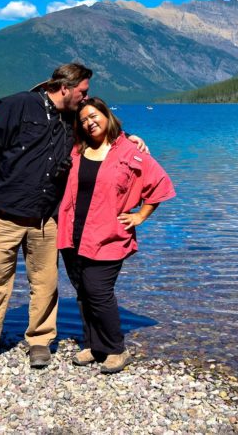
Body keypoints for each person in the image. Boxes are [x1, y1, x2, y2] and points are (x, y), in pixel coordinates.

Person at [0, 64, 146, 369]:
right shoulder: (17, 105)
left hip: (46, 218)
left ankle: (40, 341)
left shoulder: (73, 118)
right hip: (2, 213)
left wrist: (130, 139)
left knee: (45, 283)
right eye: (83, 91)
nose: (86, 97)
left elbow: (103, 132)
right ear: (65, 88)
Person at [56, 97, 175, 374]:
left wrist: (140, 216)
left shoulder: (129, 151)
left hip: (108, 235)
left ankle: (116, 349)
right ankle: (94, 346)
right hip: (74, 233)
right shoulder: (77, 150)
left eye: (94, 116)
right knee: (84, 292)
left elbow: (159, 183)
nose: (89, 122)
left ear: (107, 116)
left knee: (99, 291)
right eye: (84, 119)